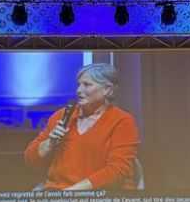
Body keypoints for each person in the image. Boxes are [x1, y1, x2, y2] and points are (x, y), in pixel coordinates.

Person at [24, 63, 140, 191]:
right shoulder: (62, 115)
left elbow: (117, 170)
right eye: (79, 84)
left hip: (100, 196)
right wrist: (49, 143)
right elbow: (30, 159)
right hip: (57, 193)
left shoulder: (122, 121)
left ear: (107, 89)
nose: (79, 90)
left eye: (87, 85)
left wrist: (71, 193)